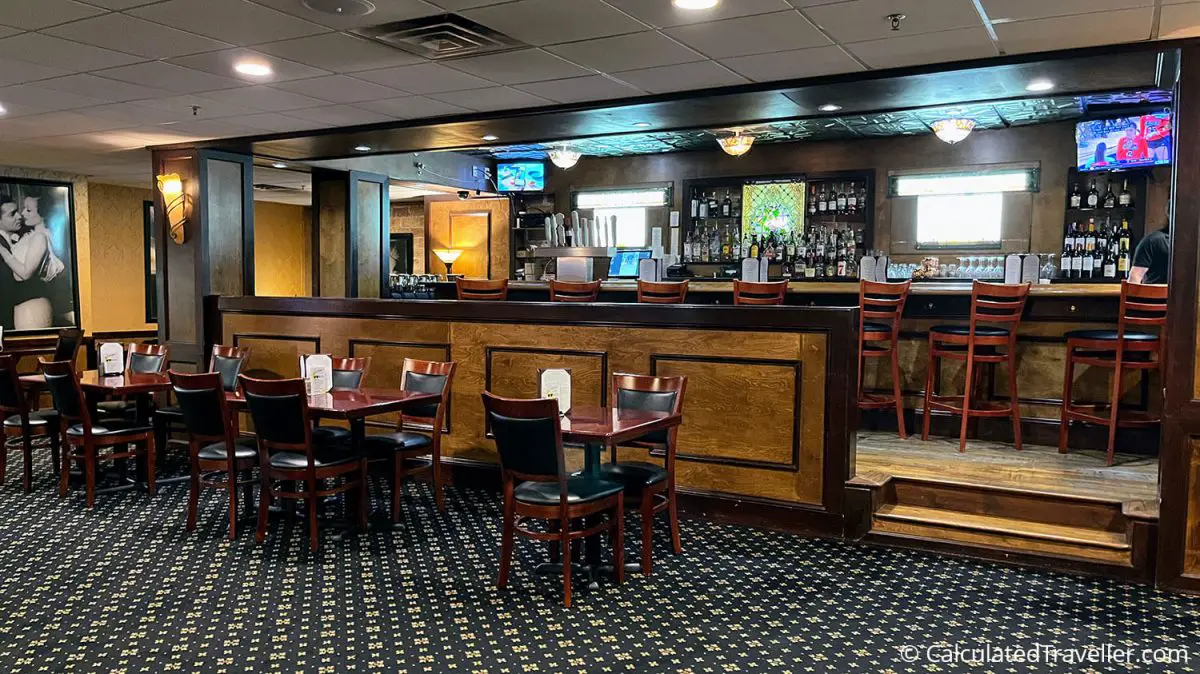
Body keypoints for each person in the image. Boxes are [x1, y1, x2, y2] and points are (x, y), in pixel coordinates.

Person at [0, 195, 52, 330]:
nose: (20, 215)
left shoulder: (36, 236)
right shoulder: (23, 236)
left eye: (26, 210)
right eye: (12, 214)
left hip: (32, 311)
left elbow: (26, 274)